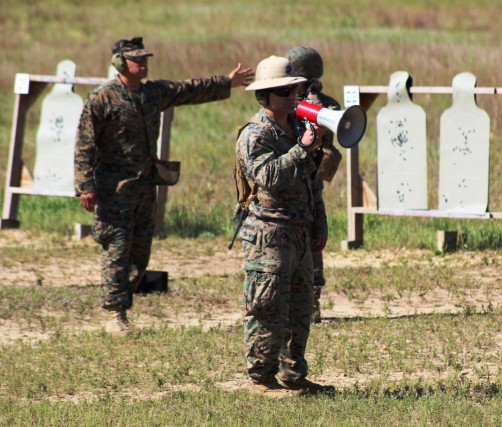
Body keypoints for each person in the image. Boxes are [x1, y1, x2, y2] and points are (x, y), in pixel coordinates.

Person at [74, 36, 254, 337]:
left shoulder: (153, 93)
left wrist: (228, 82)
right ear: (120, 62)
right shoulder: (101, 99)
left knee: (140, 252)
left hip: (145, 188)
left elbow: (188, 89)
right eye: (136, 59)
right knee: (116, 249)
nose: (143, 64)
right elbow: (84, 145)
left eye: (145, 59)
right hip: (112, 190)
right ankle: (113, 312)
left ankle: (123, 306)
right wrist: (85, 186)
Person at [237, 55, 334, 397]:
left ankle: (293, 375)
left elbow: (311, 183)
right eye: (282, 91)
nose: (292, 95)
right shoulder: (255, 135)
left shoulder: (297, 127)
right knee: (267, 307)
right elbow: (268, 177)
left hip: (299, 232)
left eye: (293, 88)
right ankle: (261, 380)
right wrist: (301, 149)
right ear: (264, 97)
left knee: (299, 307)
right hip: (268, 236)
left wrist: (319, 222)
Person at [285, 46, 342, 323]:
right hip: (311, 182)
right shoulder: (327, 102)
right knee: (314, 239)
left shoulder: (301, 102)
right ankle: (312, 302)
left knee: (309, 241)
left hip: (299, 177)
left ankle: (307, 302)